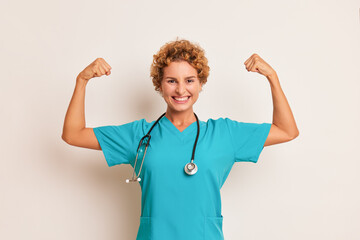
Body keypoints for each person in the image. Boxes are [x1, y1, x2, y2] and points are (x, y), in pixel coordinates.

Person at [62, 38, 299, 240]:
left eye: (189, 80)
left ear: (200, 82)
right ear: (160, 84)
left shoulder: (224, 134)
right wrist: (81, 81)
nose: (181, 90)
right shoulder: (139, 135)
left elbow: (286, 130)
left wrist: (272, 77)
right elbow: (73, 134)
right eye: (171, 80)